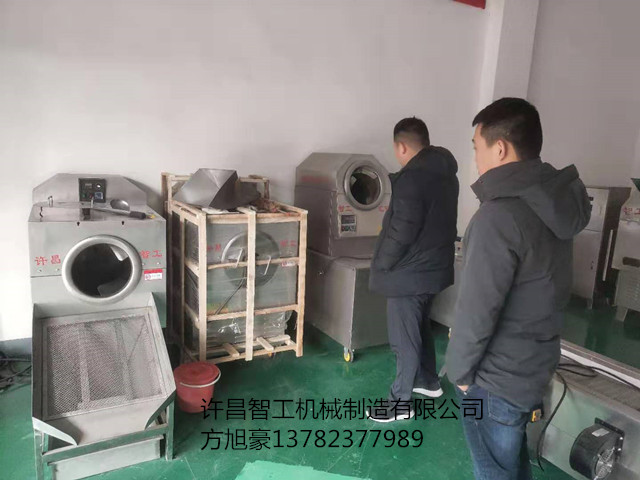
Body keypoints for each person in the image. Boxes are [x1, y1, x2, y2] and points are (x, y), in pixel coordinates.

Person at [445, 98, 591, 479]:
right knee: (509, 461)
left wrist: (460, 374)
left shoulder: (498, 217)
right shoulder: (553, 206)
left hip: (492, 381)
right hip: (532, 368)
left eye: (476, 147)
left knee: (493, 469)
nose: (476, 158)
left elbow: (477, 312)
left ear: (500, 148)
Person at [368, 117, 459, 422]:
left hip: (409, 274)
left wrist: (382, 263)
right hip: (433, 269)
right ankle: (428, 382)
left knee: (403, 339)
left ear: (402, 146)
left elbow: (402, 231)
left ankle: (399, 404)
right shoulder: (446, 175)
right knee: (419, 327)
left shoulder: (411, 178)